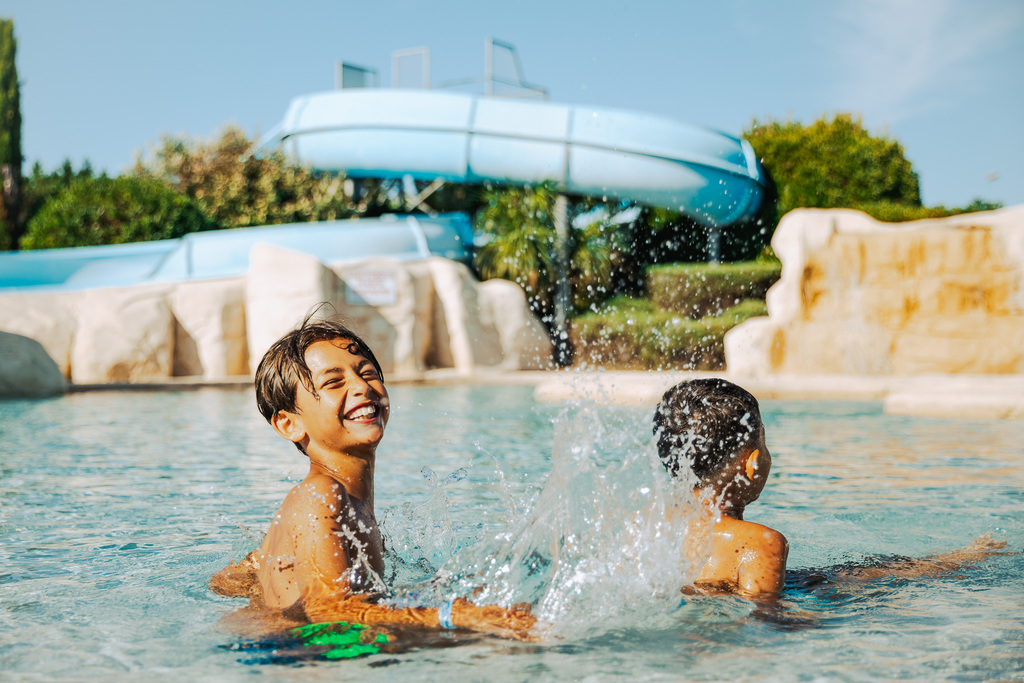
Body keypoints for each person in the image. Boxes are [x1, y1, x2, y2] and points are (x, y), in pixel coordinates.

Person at [210, 315, 533, 640]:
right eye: (333, 382)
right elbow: (327, 611)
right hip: (300, 654)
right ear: (289, 424)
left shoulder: (335, 504)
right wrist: (456, 614)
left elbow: (227, 580)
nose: (362, 386)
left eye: (367, 373)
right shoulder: (320, 495)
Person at [652, 378, 789, 599]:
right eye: (764, 443)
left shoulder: (646, 527)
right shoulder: (760, 543)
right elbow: (766, 616)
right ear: (752, 464)